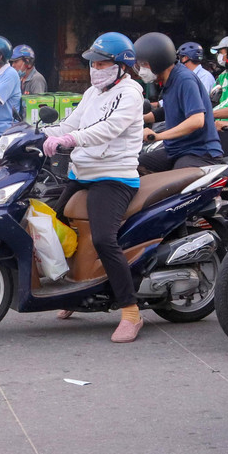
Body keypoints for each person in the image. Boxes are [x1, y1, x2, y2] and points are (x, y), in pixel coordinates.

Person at [40, 32, 147, 343]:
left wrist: (70, 140)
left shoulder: (130, 94)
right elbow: (71, 123)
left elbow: (109, 128)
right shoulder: (93, 93)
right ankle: (74, 290)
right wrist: (39, 133)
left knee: (103, 239)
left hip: (113, 177)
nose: (95, 69)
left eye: (102, 64)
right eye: (93, 63)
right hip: (82, 172)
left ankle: (130, 311)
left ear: (121, 67)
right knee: (54, 226)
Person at [137, 32, 223, 172]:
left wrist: (157, 136)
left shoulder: (184, 80)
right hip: (175, 149)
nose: (141, 70)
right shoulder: (169, 80)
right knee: (137, 165)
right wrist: (139, 119)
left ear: (159, 61)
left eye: (144, 64)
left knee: (176, 179)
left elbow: (197, 120)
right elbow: (171, 109)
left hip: (200, 152)